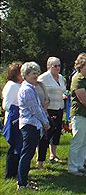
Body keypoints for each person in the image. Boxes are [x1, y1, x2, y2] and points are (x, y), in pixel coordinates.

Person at [17, 62, 49, 190]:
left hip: (33, 125)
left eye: (37, 73)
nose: (36, 75)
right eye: (32, 73)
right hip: (29, 125)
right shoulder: (26, 90)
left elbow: (39, 107)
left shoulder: (30, 88)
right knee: (27, 154)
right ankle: (22, 183)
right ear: (25, 75)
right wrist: (45, 122)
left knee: (28, 154)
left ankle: (24, 180)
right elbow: (35, 110)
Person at [37, 57, 66, 166]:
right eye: (55, 66)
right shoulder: (43, 78)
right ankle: (40, 159)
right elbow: (37, 91)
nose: (57, 68)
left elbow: (62, 90)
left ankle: (53, 154)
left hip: (59, 107)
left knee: (57, 132)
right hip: (48, 109)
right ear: (49, 66)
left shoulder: (61, 78)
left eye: (59, 65)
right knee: (45, 134)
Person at [2, 62, 23, 179]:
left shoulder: (20, 85)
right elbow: (6, 105)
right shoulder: (11, 85)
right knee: (13, 147)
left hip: (20, 120)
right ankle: (10, 173)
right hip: (13, 120)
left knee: (19, 147)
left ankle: (17, 171)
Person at [34, 80, 50, 169]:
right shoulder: (26, 87)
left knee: (43, 140)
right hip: (33, 117)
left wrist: (45, 108)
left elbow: (47, 99)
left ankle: (40, 162)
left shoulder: (41, 85)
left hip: (44, 114)